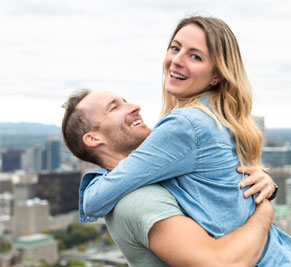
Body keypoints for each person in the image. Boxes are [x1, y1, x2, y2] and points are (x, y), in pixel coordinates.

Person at [75, 16, 291, 266]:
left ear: (217, 74)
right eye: (175, 48)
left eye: (195, 56)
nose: (177, 60)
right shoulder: (219, 118)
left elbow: (94, 202)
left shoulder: (185, 124)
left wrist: (96, 180)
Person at [62, 89, 275, 266]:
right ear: (93, 138)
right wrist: (264, 211)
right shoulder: (140, 200)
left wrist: (265, 185)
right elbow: (221, 263)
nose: (135, 106)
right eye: (115, 107)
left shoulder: (156, 179)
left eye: (125, 101)